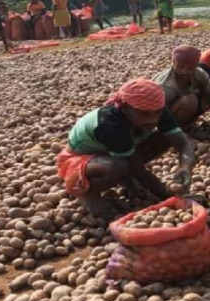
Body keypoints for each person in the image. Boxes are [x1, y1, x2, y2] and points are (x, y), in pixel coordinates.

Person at [56, 78, 196, 220]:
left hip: (116, 151)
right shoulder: (111, 124)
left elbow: (183, 144)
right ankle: (88, 193)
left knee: (164, 137)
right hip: (78, 160)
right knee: (117, 166)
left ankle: (126, 178)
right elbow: (137, 168)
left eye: (157, 113)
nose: (153, 120)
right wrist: (170, 198)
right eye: (145, 114)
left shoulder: (156, 108)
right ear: (124, 108)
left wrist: (185, 167)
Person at [153, 45, 210, 138]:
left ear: (197, 65)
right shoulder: (165, 85)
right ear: (173, 62)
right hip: (169, 115)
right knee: (190, 100)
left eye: (189, 68)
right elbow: (157, 114)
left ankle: (191, 121)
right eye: (180, 67)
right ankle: (184, 128)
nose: (184, 71)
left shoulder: (199, 73)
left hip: (191, 106)